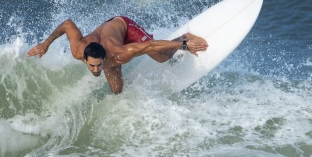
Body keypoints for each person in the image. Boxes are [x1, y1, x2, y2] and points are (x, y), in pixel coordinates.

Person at [26, 16, 208, 94]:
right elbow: (67, 24)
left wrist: (184, 45)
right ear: (85, 59)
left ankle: (183, 36)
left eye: (99, 65)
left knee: (161, 57)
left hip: (124, 26)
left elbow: (150, 45)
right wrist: (45, 44)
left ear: (105, 58)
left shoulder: (121, 53)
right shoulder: (77, 50)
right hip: (107, 29)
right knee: (117, 91)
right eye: (92, 66)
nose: (96, 69)